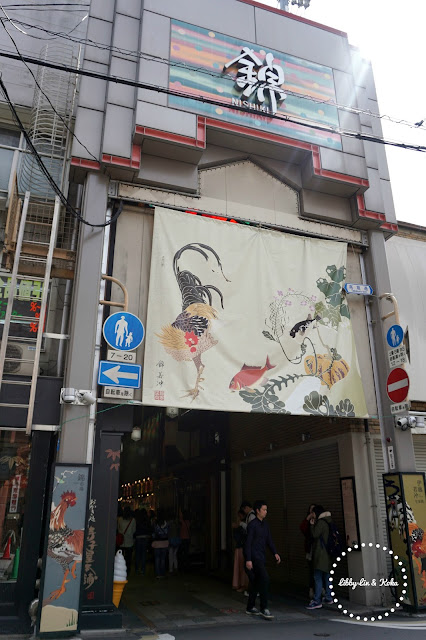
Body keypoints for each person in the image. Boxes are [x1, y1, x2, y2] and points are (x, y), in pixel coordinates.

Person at [244, 500, 281, 620]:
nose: (266, 512)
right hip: (254, 557)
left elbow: (269, 540)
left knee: (256, 582)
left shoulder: (265, 525)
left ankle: (250, 607)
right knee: (265, 579)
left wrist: (275, 553)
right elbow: (248, 543)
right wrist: (248, 559)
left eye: (266, 510)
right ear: (257, 511)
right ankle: (264, 608)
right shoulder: (252, 525)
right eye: (264, 510)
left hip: (261, 556)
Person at [306, 504, 333, 609]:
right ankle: (328, 597)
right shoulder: (328, 521)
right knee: (327, 576)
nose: (312, 515)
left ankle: (317, 600)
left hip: (321, 554)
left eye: (313, 513)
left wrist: (312, 525)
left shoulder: (321, 522)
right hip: (327, 553)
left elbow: (315, 534)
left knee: (317, 577)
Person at [300, 504, 316, 599]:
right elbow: (303, 529)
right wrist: (307, 519)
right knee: (311, 571)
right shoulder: (308, 522)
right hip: (310, 550)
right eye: (311, 510)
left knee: (318, 571)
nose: (312, 512)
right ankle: (312, 589)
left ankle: (319, 590)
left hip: (318, 550)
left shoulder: (319, 521)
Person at [232, 508, 249, 592]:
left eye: (240, 516)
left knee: (241, 566)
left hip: (242, 547)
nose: (239, 517)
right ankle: (239, 584)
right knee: (239, 566)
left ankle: (242, 584)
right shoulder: (242, 525)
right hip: (240, 547)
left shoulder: (244, 525)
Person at [117, 506, 136, 573]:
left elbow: (118, 529)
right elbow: (134, 530)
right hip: (129, 540)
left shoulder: (120, 519)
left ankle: (120, 569)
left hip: (121, 541)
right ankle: (127, 570)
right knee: (128, 557)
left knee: (121, 557)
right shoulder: (132, 520)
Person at [152, 509, 169, 578]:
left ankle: (157, 574)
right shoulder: (166, 523)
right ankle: (162, 573)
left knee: (157, 559)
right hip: (164, 542)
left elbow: (153, 533)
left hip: (157, 542)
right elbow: (167, 532)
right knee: (163, 559)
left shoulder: (155, 523)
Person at [134, 508, 151, 575]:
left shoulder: (137, 520)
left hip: (138, 537)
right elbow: (149, 528)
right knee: (144, 554)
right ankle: (143, 570)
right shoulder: (147, 520)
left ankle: (137, 569)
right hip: (145, 537)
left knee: (137, 554)